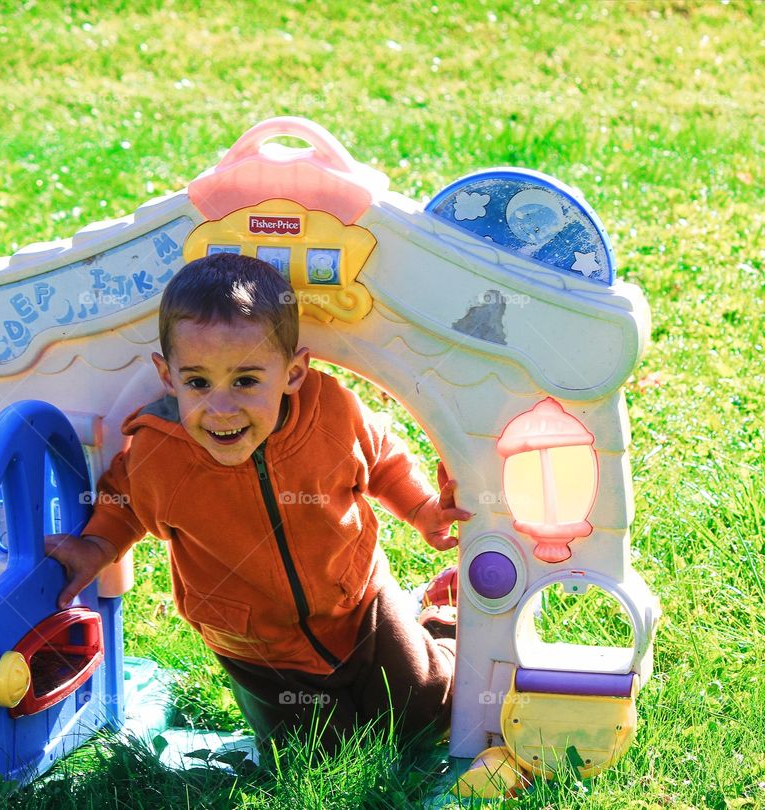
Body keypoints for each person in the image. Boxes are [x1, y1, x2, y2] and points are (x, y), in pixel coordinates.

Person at [46, 252, 471, 755]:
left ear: (293, 372)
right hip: (257, 645)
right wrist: (95, 546)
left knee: (426, 711)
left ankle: (440, 620)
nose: (220, 407)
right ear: (168, 377)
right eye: (198, 382)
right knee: (316, 752)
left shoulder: (329, 412)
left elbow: (382, 460)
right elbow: (124, 502)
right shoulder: (161, 453)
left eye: (246, 380)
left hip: (360, 603)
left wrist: (422, 509)